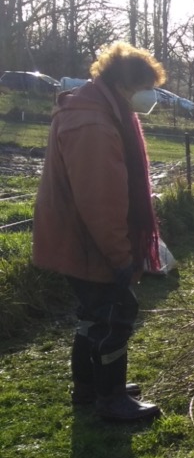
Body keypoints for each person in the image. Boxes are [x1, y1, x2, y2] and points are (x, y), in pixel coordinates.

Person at [32, 41, 166, 422]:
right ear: (125, 85)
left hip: (78, 235)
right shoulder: (93, 122)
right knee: (116, 312)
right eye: (145, 86)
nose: (149, 96)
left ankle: (89, 386)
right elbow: (100, 198)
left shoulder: (99, 109)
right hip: (87, 239)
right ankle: (110, 398)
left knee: (93, 313)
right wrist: (121, 256)